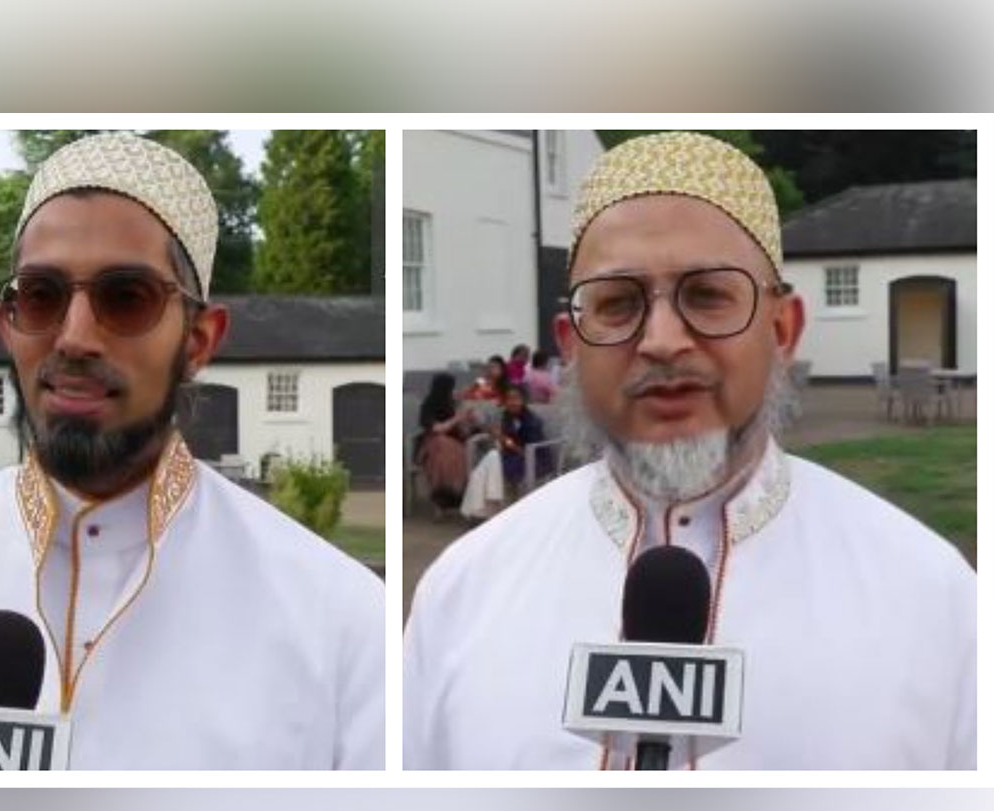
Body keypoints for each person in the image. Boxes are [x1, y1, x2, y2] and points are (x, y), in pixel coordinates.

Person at [0, 132, 384, 770]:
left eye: (126, 297)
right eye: (41, 295)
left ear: (198, 340)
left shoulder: (339, 621)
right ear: (8, 326)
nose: (75, 337)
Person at [404, 132, 975, 770]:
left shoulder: (932, 596)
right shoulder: (463, 593)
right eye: (618, 304)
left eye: (707, 295)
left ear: (782, 330)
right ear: (571, 345)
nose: (663, 340)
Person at [459, 384, 547, 520]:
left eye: (516, 398)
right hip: (510, 458)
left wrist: (503, 439)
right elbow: (494, 432)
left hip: (532, 460)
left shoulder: (532, 421)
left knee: (491, 460)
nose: (512, 402)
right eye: (509, 399)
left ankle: (484, 511)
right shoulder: (506, 417)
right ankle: (492, 509)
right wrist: (481, 424)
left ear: (523, 400)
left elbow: (527, 452)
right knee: (491, 459)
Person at [415, 372, 471, 511]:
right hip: (432, 443)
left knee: (452, 450)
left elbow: (463, 432)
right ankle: (443, 492)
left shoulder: (452, 404)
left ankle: (452, 493)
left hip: (455, 443)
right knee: (441, 445)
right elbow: (436, 429)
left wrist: (467, 419)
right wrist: (456, 419)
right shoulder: (428, 405)